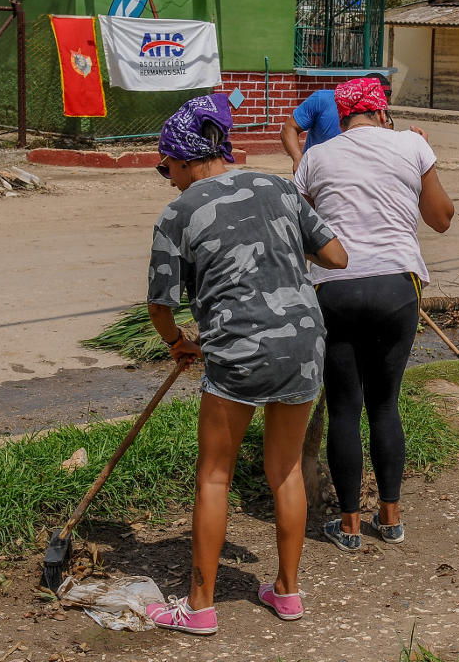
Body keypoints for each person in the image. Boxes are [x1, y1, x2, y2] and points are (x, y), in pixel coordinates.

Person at [143, 94, 347, 632]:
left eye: (166, 167)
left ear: (185, 158)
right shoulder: (280, 187)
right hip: (304, 344)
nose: (168, 179)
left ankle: (199, 607)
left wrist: (178, 343)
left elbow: (160, 306)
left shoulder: (178, 213)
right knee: (286, 470)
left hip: (238, 349)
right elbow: (336, 256)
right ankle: (287, 592)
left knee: (214, 476)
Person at [293, 77, 454, 551]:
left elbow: (301, 230)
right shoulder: (412, 145)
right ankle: (390, 518)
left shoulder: (316, 157)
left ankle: (348, 527)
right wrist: (425, 158)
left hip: (334, 289)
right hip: (396, 288)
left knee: (345, 407)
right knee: (385, 404)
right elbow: (441, 218)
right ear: (382, 112)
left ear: (342, 117)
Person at [280, 73, 392, 174]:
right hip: (318, 173)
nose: (382, 111)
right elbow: (289, 128)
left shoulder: (384, 120)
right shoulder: (322, 100)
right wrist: (298, 159)